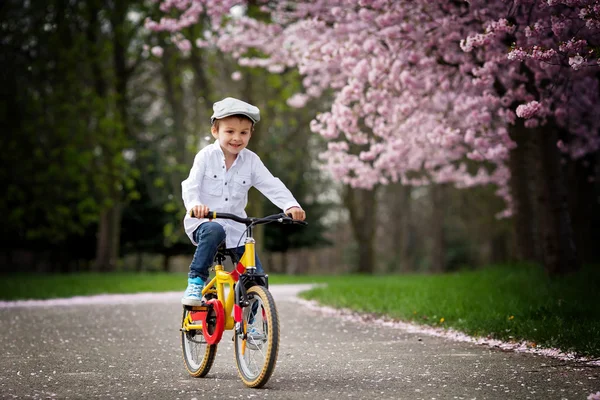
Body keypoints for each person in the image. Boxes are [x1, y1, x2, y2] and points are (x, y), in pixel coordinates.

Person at [181, 97, 306, 306]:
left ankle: (256, 326)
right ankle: (195, 281)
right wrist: (195, 205)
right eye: (230, 131)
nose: (236, 138)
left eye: (243, 132)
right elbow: (190, 184)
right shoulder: (205, 157)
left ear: (251, 134)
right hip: (203, 224)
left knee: (256, 278)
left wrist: (291, 205)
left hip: (237, 229)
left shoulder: (251, 161)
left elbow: (270, 184)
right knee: (214, 230)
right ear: (215, 131)